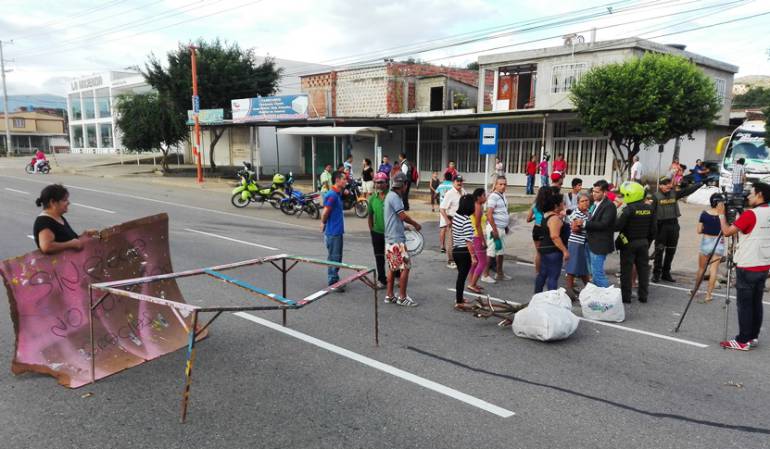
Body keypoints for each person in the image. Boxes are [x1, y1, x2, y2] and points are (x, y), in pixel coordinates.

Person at [716, 182, 770, 351]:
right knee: (756, 302)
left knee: (745, 304)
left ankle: (742, 340)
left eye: (751, 193)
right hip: (763, 264)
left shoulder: (751, 214)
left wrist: (721, 215)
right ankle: (752, 337)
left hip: (748, 264)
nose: (747, 196)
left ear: (760, 194)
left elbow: (727, 232)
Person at [651, 177, 702, 282]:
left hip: (674, 225)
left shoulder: (674, 194)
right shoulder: (655, 197)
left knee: (671, 250)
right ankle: (656, 274)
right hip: (661, 227)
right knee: (659, 251)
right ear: (660, 185)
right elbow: (651, 214)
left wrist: (700, 184)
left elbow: (687, 191)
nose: (668, 186)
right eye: (665, 184)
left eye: (669, 183)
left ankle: (666, 273)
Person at [384, 172, 422, 307]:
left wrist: (405, 227)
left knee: (393, 268)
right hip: (396, 240)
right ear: (404, 185)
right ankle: (402, 297)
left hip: (390, 238)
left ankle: (389, 295)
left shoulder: (390, 196)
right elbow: (402, 216)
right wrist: (415, 224)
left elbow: (394, 220)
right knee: (405, 267)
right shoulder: (395, 197)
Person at [615, 181, 656, 303]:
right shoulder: (650, 209)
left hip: (628, 243)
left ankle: (626, 297)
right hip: (643, 243)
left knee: (626, 272)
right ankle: (643, 296)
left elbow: (617, 226)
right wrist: (647, 242)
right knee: (643, 271)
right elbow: (654, 230)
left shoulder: (628, 209)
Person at [573, 180, 616, 288]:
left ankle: (606, 297)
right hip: (591, 242)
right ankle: (598, 295)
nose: (593, 194)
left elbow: (603, 224)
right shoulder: (595, 203)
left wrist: (584, 223)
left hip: (600, 244)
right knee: (592, 272)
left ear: (605, 192)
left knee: (598, 274)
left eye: (597, 192)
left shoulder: (609, 206)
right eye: (593, 191)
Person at [33, 184, 97, 254]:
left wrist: (84, 236)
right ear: (53, 202)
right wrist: (71, 244)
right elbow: (47, 247)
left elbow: (65, 239)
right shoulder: (44, 221)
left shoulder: (59, 217)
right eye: (64, 200)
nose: (68, 202)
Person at [694, 193, 726, 303]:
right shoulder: (723, 215)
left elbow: (698, 230)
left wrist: (707, 229)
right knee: (714, 270)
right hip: (719, 242)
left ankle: (695, 290)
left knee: (702, 269)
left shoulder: (704, 214)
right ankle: (708, 295)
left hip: (706, 241)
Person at [535, 189, 568, 293]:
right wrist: (564, 251)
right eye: (562, 202)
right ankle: (551, 299)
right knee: (553, 276)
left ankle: (537, 295)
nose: (564, 204)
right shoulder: (554, 218)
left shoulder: (547, 215)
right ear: (556, 205)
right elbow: (554, 236)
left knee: (542, 274)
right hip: (553, 251)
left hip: (544, 249)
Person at [481, 176, 511, 284]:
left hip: (501, 228)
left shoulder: (503, 196)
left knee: (501, 252)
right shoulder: (493, 196)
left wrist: (506, 226)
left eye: (504, 184)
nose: (503, 186)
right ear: (496, 185)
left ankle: (499, 273)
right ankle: (485, 274)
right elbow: (489, 214)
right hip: (495, 229)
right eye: (500, 184)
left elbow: (504, 212)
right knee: (491, 252)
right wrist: (495, 230)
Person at [451, 194, 478, 310]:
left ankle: (460, 298)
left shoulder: (457, 216)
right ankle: (459, 301)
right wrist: (473, 256)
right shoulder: (466, 220)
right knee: (462, 277)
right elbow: (468, 241)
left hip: (456, 250)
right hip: (464, 252)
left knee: (461, 276)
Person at [321, 171, 347, 290]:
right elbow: (325, 213)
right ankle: (333, 281)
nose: (345, 181)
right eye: (344, 179)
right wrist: (324, 222)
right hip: (333, 232)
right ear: (337, 180)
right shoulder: (332, 195)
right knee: (334, 257)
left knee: (336, 257)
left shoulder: (337, 194)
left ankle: (334, 278)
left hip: (336, 231)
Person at [565, 192, 591, 299]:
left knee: (583, 269)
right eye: (582, 201)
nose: (585, 203)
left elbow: (581, 226)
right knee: (572, 268)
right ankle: (569, 293)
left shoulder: (588, 212)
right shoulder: (575, 213)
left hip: (584, 244)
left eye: (586, 200)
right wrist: (585, 226)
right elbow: (575, 229)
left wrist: (583, 224)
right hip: (575, 243)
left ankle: (589, 290)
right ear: (578, 203)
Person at [367, 172, 390, 288]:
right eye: (376, 182)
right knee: (379, 257)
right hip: (377, 233)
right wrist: (372, 231)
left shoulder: (392, 196)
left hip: (391, 234)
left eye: (381, 182)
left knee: (393, 257)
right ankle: (382, 279)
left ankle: (396, 276)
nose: (378, 185)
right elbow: (370, 216)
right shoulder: (372, 199)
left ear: (386, 183)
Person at [440, 175, 466, 269]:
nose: (459, 183)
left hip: (462, 220)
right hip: (452, 219)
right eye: (457, 181)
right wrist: (447, 220)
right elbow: (442, 209)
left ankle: (459, 259)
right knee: (451, 241)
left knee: (460, 241)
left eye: (461, 181)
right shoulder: (450, 193)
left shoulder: (463, 191)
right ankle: (450, 260)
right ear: (453, 182)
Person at [466, 188, 488, 293]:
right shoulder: (478, 207)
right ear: (479, 197)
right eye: (484, 195)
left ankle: (472, 282)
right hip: (476, 236)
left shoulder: (476, 205)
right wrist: (483, 240)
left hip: (473, 236)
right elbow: (478, 225)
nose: (485, 197)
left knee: (474, 262)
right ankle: (472, 284)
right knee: (483, 262)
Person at [526, 186, 548, 275]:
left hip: (536, 229)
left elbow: (528, 219)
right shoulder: (548, 204)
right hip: (545, 228)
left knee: (538, 253)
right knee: (546, 252)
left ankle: (538, 272)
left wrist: (535, 217)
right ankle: (546, 271)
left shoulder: (534, 205)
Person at [436, 172, 454, 253]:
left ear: (444, 177)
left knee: (443, 228)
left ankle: (442, 246)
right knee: (451, 229)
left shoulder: (441, 185)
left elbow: (435, 194)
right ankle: (451, 246)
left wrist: (439, 200)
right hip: (451, 208)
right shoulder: (453, 185)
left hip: (442, 208)